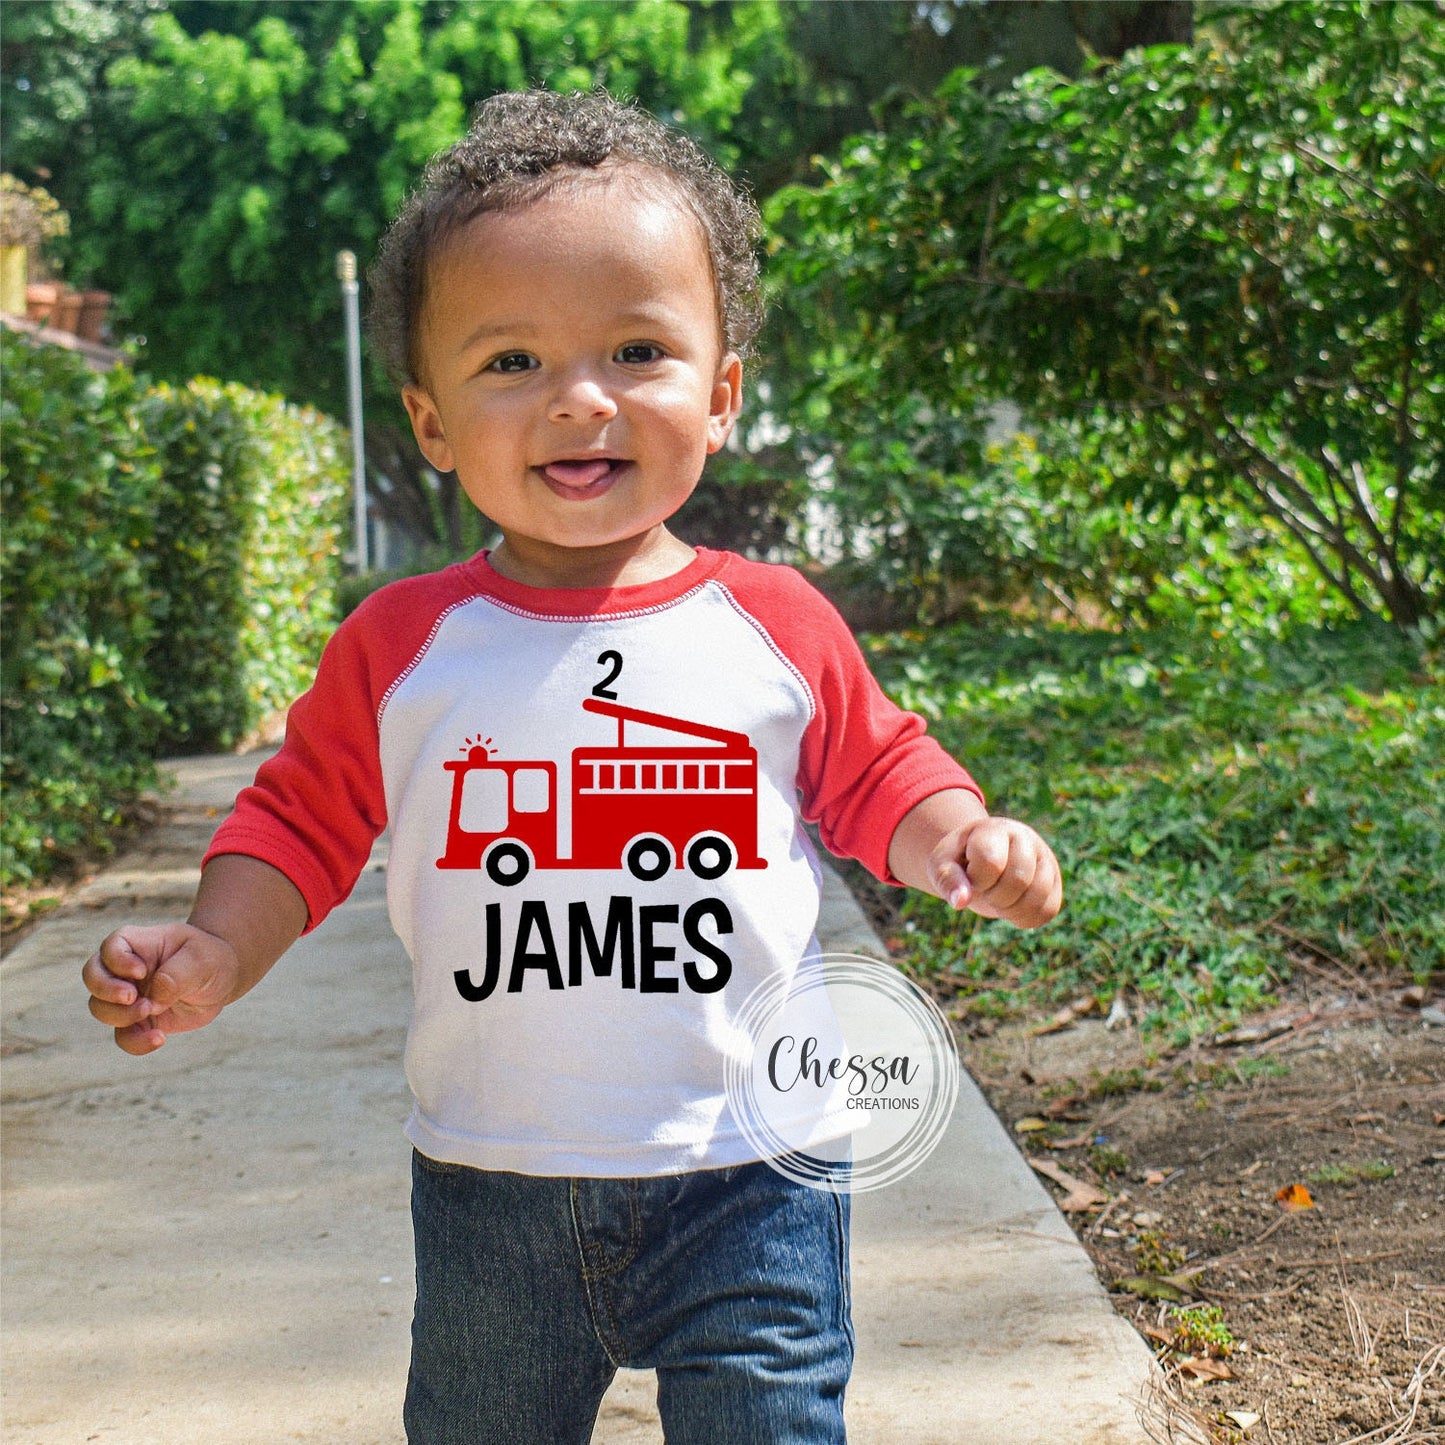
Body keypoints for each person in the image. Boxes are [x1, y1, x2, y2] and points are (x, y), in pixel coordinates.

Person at [82, 90, 1062, 1444]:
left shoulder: (772, 623)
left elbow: (882, 768)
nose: (580, 399)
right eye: (510, 364)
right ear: (428, 420)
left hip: (754, 1175)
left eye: (637, 348)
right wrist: (212, 946)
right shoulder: (402, 646)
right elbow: (296, 823)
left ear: (718, 395)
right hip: (492, 1186)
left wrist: (960, 832)